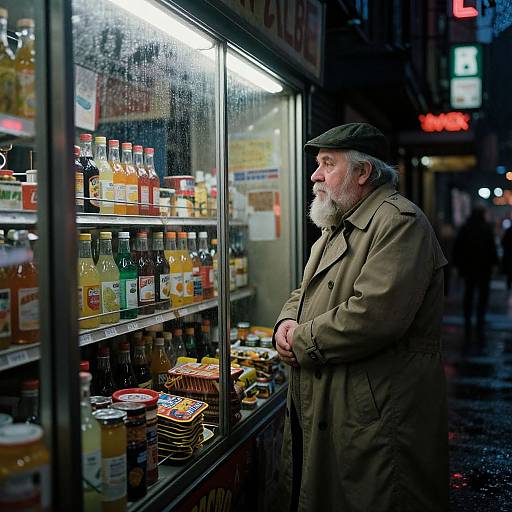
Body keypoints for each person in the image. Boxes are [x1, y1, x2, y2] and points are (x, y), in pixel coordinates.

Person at [273, 123, 449, 512]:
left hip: (378, 416)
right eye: (318, 164)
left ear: (363, 172)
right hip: (337, 407)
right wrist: (285, 325)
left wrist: (299, 342)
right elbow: (303, 293)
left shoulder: (400, 222)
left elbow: (374, 316)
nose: (315, 175)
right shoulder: (335, 226)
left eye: (327, 164)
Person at [453, 205, 498, 342]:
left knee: (469, 293)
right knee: (482, 295)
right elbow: (492, 248)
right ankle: (480, 318)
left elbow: (458, 248)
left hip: (469, 268)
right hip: (484, 268)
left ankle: (468, 318)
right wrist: (494, 265)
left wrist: (458, 266)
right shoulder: (486, 229)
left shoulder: (466, 228)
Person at [501, 224, 512, 291]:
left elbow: (503, 242)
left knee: (509, 275)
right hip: (509, 256)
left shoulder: (508, 230)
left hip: (509, 257)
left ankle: (508, 288)